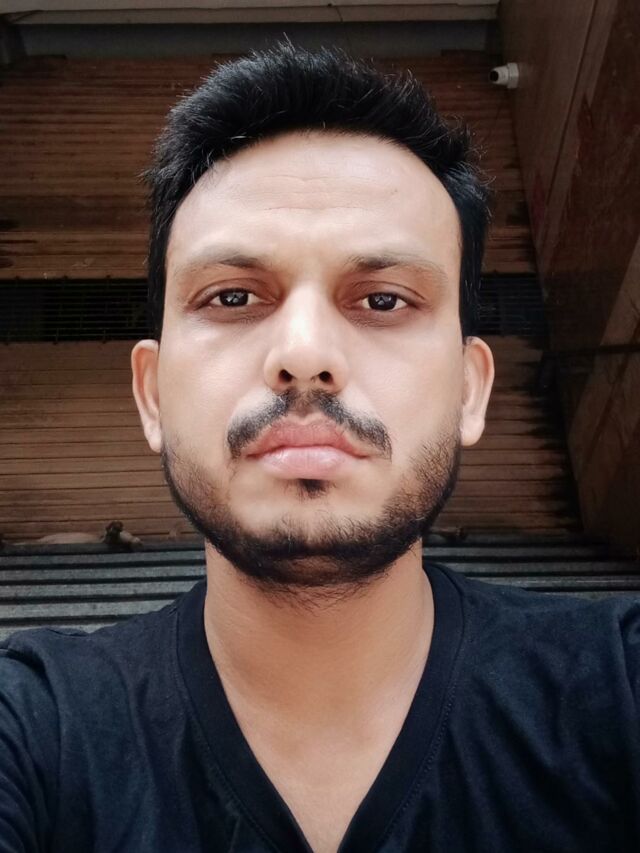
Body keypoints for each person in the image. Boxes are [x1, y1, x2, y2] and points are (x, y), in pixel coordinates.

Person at [1, 43, 639, 853]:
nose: (304, 353)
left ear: (470, 391)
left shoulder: (618, 688)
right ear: (152, 394)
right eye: (233, 295)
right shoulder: (36, 728)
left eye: (384, 299)